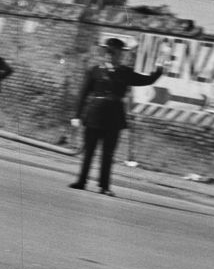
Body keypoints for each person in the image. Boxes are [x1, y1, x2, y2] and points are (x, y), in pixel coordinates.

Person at [69, 38, 163, 195]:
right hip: (94, 116)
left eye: (115, 54)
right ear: (104, 54)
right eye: (109, 53)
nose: (111, 56)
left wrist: (159, 70)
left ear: (120, 55)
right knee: (89, 151)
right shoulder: (95, 71)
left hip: (114, 118)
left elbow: (146, 79)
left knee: (108, 154)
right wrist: (77, 115)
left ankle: (104, 186)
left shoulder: (125, 73)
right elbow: (83, 94)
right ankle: (81, 181)